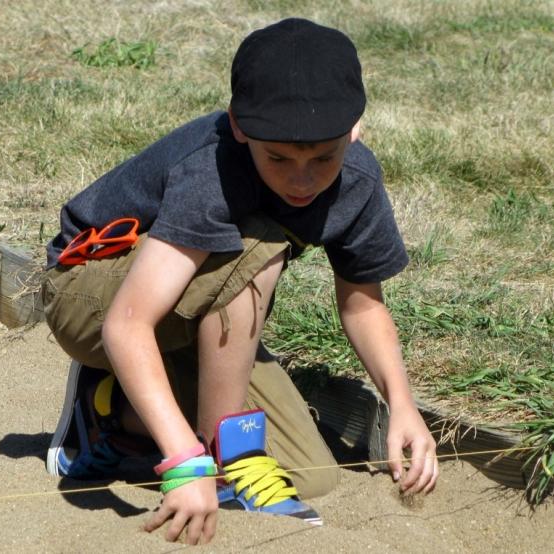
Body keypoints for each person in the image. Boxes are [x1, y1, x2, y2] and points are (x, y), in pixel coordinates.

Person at [41, 17, 438, 545]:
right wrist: (187, 464)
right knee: (261, 244)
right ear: (239, 126)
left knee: (311, 475)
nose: (302, 178)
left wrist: (402, 405)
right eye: (279, 158)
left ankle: (111, 410)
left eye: (324, 157)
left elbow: (363, 305)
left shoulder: (358, 182)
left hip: (195, 309)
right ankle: (221, 459)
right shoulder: (213, 171)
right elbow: (128, 323)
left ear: (354, 131)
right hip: (89, 295)